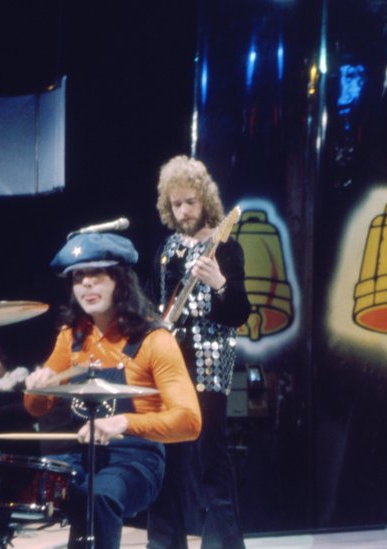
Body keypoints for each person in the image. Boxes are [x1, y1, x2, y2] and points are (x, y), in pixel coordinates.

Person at [23, 232, 201, 549]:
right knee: (20, 486)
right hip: (80, 455)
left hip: (137, 460)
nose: (86, 284)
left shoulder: (155, 340)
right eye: (78, 276)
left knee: (98, 495)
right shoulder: (72, 337)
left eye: (97, 274)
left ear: (120, 280)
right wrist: (38, 387)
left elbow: (189, 421)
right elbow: (36, 408)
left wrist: (123, 422)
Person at [146, 155, 250, 549]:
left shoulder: (227, 247)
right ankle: (165, 541)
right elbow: (151, 302)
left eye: (190, 202)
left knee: (211, 455)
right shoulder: (166, 249)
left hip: (209, 362)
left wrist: (220, 283)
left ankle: (223, 542)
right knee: (167, 453)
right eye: (176, 204)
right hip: (169, 362)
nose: (184, 211)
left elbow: (240, 313)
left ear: (205, 199)